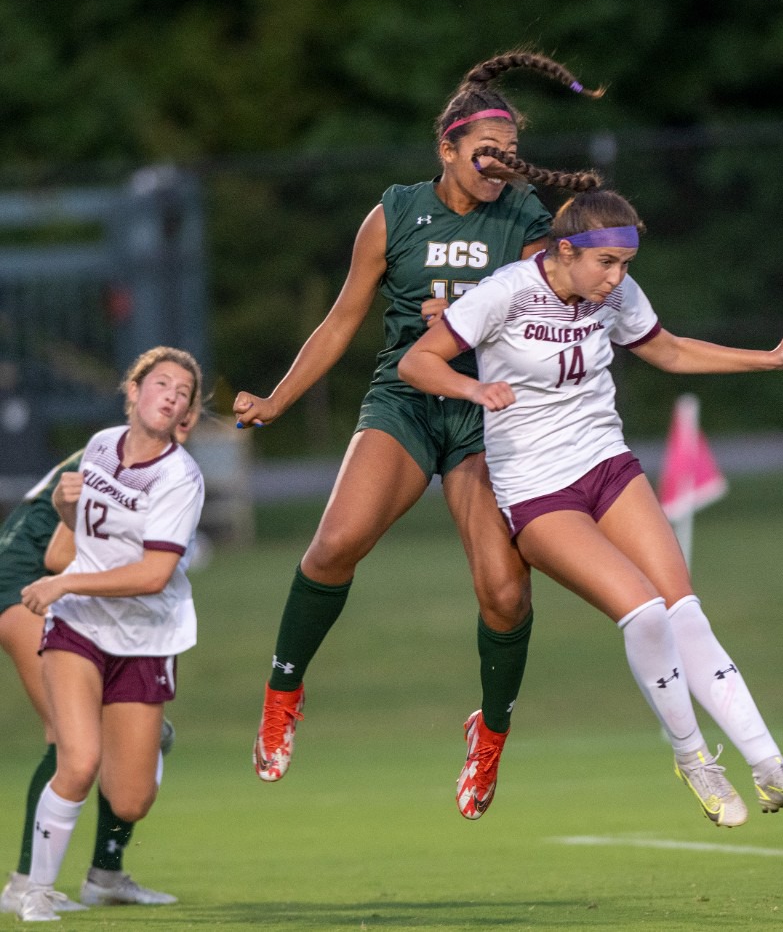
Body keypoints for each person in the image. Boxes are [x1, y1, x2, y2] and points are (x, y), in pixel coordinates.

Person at [233, 51, 604, 820]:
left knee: (503, 591)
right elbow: (341, 320)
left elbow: (569, 294)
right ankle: (282, 688)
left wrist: (483, 318)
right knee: (335, 543)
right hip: (407, 401)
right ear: (446, 147)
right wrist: (276, 398)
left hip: (487, 411)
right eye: (485, 155)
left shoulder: (529, 219)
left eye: (508, 157)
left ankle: (491, 732)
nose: (498, 167)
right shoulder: (395, 213)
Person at [398, 188, 783, 826]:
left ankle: (772, 768)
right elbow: (417, 362)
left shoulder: (613, 294)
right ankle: (695, 763)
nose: (617, 278)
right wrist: (473, 385)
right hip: (537, 489)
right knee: (645, 613)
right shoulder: (507, 291)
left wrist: (768, 360)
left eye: (626, 265)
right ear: (565, 251)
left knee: (684, 611)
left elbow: (669, 349)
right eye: (606, 263)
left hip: (607, 465)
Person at [11, 346, 205, 922]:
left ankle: (147, 740)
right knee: (77, 759)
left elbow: (153, 575)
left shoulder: (180, 478)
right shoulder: (98, 446)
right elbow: (71, 547)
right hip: (81, 630)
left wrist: (65, 585)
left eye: (182, 394)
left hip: (146, 639)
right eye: (161, 383)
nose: (170, 395)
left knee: (130, 798)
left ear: (184, 418)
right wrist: (62, 508)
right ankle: (35, 893)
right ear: (133, 390)